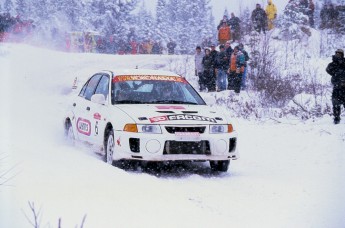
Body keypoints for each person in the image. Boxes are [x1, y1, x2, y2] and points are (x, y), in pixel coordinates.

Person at [326, 49, 345, 124]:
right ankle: (336, 118)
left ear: (342, 54)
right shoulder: (332, 64)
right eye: (336, 53)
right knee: (336, 103)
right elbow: (328, 70)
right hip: (337, 87)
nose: (338, 55)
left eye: (339, 53)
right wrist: (336, 73)